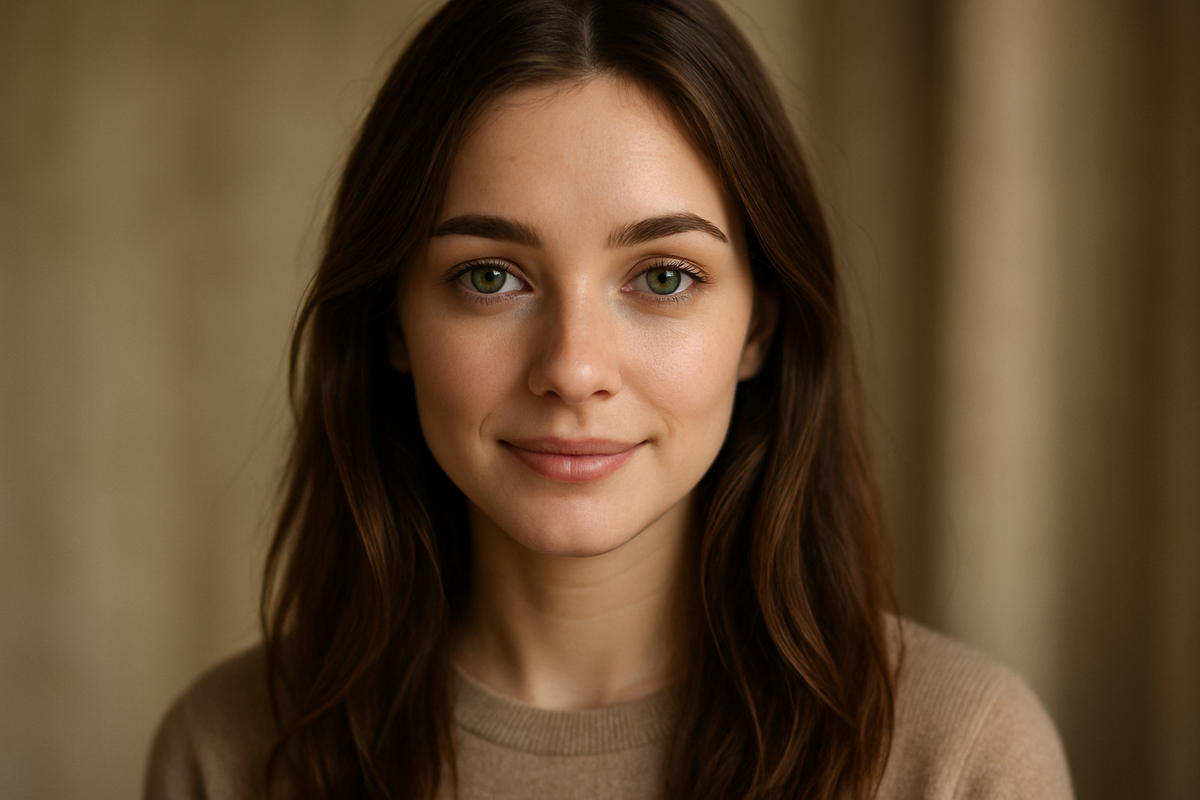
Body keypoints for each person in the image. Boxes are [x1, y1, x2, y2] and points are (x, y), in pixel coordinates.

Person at [144, 0, 1074, 797]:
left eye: (663, 278)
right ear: (391, 323)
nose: (574, 368)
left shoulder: (959, 758)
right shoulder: (229, 755)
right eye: (489, 277)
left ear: (760, 327)